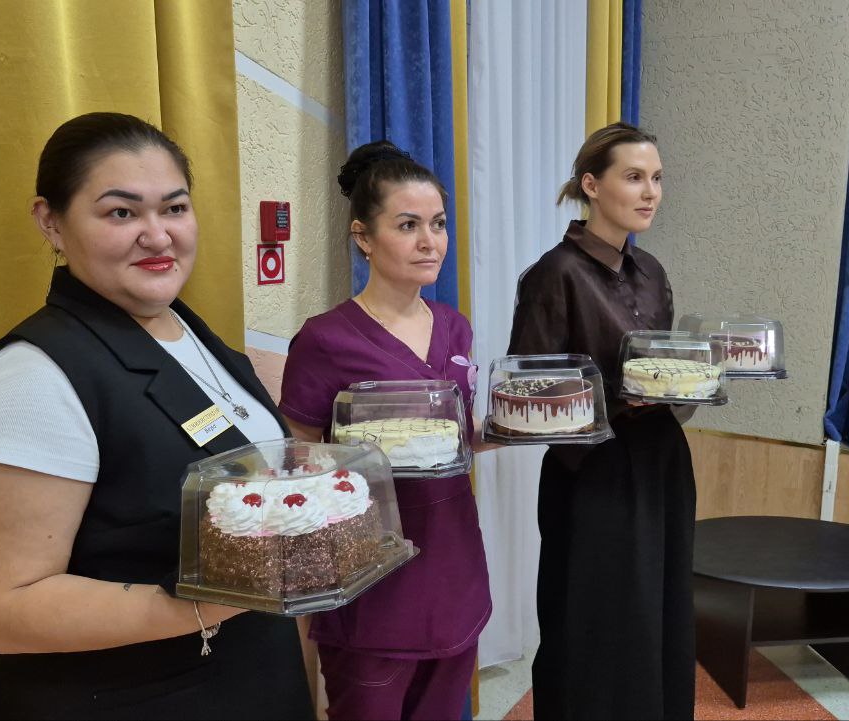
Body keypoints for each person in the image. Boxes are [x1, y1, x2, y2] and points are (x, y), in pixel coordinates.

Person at [0, 112, 312, 720]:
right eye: (122, 213)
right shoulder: (31, 376)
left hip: (253, 683)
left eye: (174, 208)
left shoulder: (191, 335)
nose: (158, 235)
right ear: (51, 221)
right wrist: (212, 602)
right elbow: (2, 611)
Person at [278, 141, 492, 720]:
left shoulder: (454, 327)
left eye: (438, 224)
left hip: (452, 562)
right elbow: (297, 458)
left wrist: (514, 426)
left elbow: (458, 438)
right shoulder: (325, 340)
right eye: (408, 225)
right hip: (370, 577)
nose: (430, 241)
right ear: (364, 237)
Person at [509, 121, 696, 720]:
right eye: (634, 177)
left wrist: (691, 379)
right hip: (591, 471)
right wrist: (617, 400)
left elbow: (663, 369)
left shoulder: (653, 271)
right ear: (591, 185)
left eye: (657, 178)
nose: (651, 192)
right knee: (592, 620)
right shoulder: (554, 274)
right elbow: (525, 396)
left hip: (662, 461)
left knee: (659, 608)